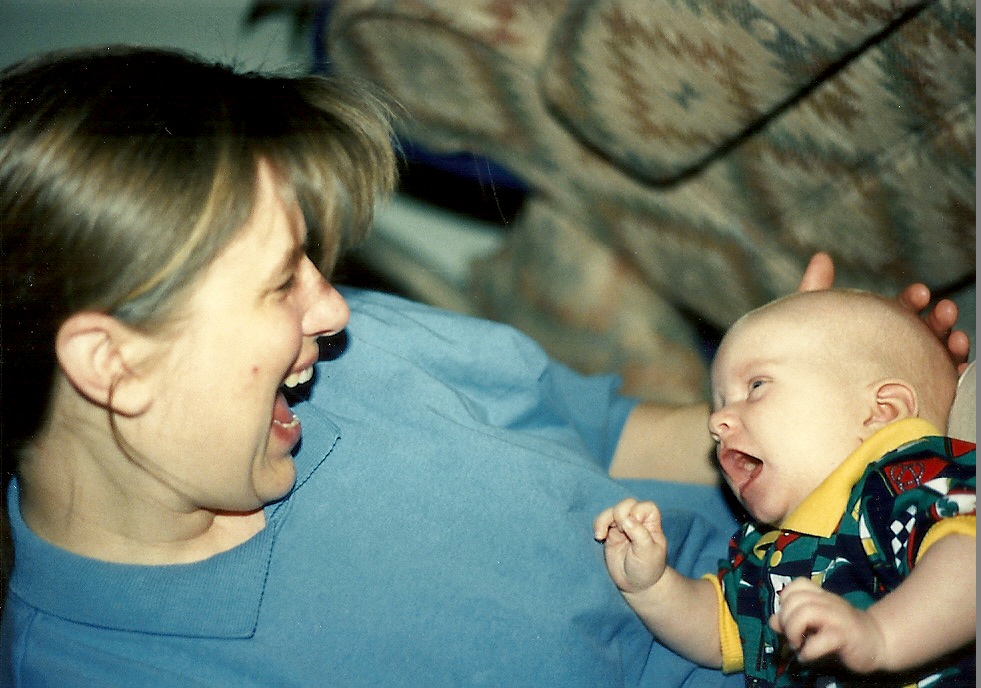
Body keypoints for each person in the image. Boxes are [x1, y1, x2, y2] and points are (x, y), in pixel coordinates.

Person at [0, 46, 969, 687]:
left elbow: (614, 430)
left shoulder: (362, 349)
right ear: (111, 364)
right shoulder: (98, 669)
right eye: (278, 283)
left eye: (317, 266)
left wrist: (836, 398)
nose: (333, 309)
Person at [594, 289, 976, 687]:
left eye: (756, 386)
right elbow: (719, 630)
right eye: (719, 404)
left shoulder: (906, 482)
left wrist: (882, 636)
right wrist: (653, 587)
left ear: (882, 412)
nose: (717, 421)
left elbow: (968, 559)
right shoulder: (765, 551)